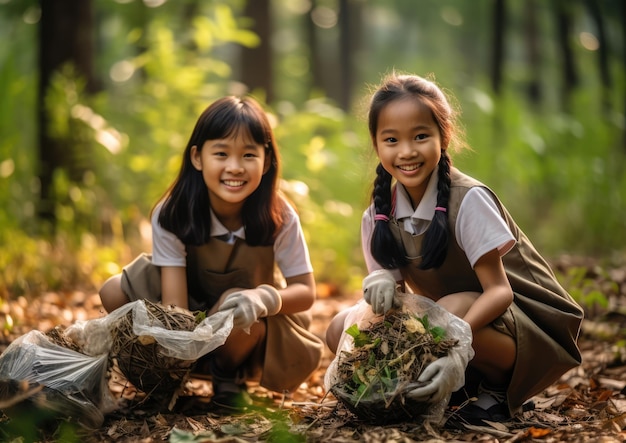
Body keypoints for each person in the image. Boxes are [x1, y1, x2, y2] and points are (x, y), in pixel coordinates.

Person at [325, 73, 584, 426]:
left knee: (447, 312)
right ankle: (442, 387)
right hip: (450, 323)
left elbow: (499, 291)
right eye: (391, 139)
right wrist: (380, 284)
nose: (406, 151)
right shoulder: (377, 214)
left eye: (420, 136)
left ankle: (493, 389)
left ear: (444, 136)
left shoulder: (469, 200)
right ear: (376, 144)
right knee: (341, 327)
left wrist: (455, 344)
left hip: (528, 329)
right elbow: (397, 310)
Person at [100, 95, 324, 411]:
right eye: (221, 153)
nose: (234, 167)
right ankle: (168, 377)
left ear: (267, 160)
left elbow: (306, 291)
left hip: (248, 326)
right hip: (191, 311)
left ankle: (228, 378)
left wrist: (264, 298)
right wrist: (172, 352)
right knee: (113, 289)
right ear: (197, 157)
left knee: (237, 301)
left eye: (249, 155)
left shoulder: (280, 215)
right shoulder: (174, 213)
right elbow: (175, 308)